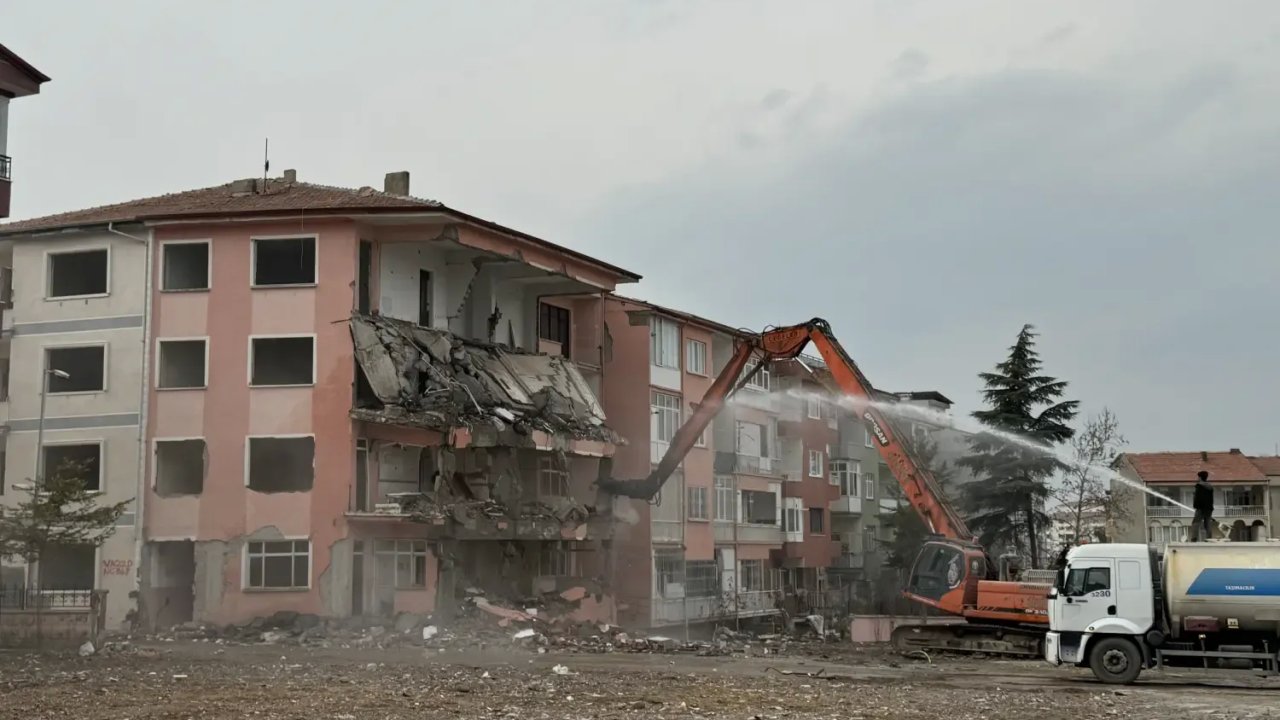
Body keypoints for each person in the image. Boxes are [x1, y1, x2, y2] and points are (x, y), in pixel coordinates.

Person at [1191, 470, 1214, 541]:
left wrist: (1196, 506)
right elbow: (1210, 498)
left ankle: (1194, 538)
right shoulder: (1210, 487)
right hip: (1209, 508)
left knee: (1195, 522)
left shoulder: (1199, 486)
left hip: (1200, 508)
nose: (1197, 478)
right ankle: (1209, 538)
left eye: (1198, 477)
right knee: (1207, 523)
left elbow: (1198, 498)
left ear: (1200, 477)